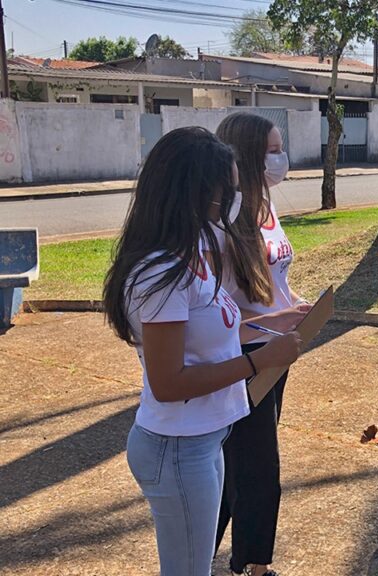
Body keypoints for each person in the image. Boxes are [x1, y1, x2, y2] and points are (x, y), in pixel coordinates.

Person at [102, 127, 302, 575]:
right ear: (194, 192)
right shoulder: (160, 271)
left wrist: (272, 322)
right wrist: (258, 361)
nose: (235, 199)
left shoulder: (192, 251)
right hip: (177, 448)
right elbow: (169, 383)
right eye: (227, 190)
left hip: (203, 440)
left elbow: (210, 328)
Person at [212, 112, 310, 576]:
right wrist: (278, 320)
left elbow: (273, 280)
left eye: (280, 146)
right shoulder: (227, 223)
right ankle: (252, 565)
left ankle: (204, 551)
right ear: (247, 156)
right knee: (256, 468)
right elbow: (223, 313)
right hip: (246, 355)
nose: (281, 157)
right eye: (272, 150)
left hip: (277, 349)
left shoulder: (266, 210)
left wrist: (297, 304)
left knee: (239, 466)